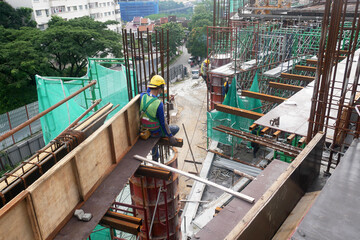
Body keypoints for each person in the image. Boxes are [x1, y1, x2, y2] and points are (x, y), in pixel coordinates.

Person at [140, 75, 179, 161]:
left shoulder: (142, 96)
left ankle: (155, 157)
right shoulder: (159, 104)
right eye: (162, 88)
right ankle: (160, 142)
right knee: (176, 128)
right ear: (159, 88)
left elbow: (147, 92)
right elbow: (163, 123)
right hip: (155, 132)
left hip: (145, 129)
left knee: (155, 140)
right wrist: (170, 136)